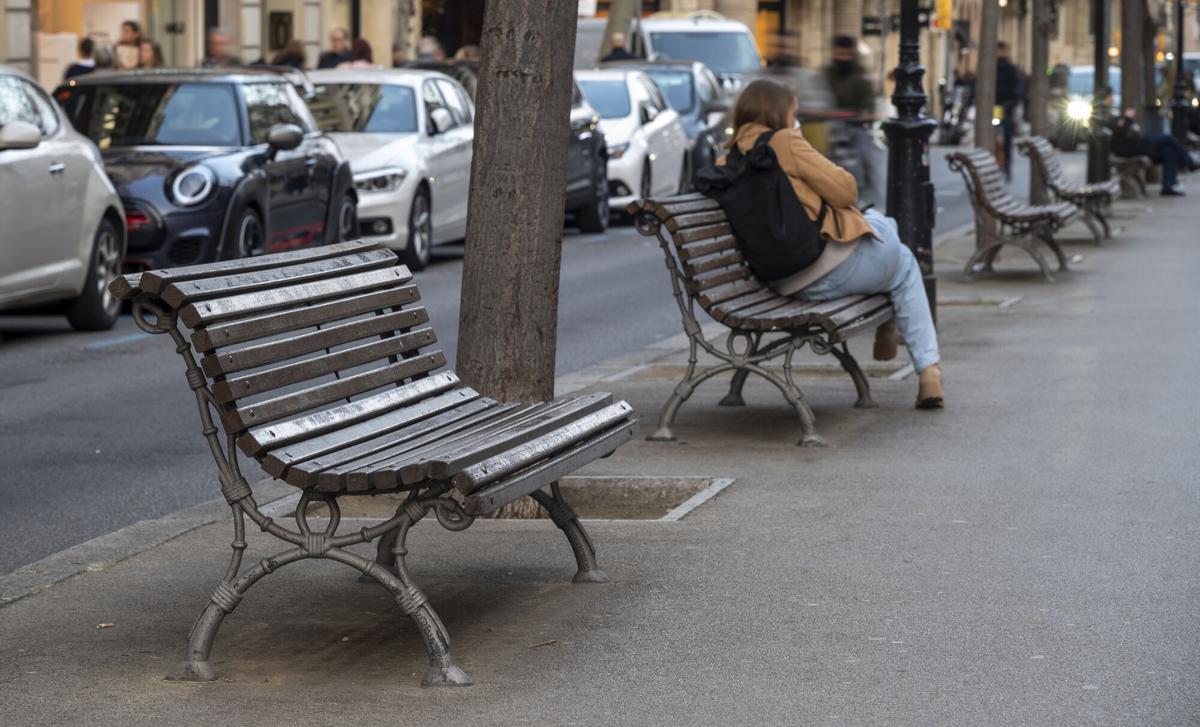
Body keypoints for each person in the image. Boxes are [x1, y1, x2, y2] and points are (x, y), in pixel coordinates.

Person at [723, 79, 943, 407]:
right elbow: (845, 190)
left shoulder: (726, 160)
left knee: (889, 242)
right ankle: (928, 371)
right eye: (793, 113)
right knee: (900, 252)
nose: (795, 121)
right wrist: (797, 142)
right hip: (825, 268)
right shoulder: (783, 142)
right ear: (778, 114)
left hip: (783, 282)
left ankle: (897, 330)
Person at [824, 35, 885, 210]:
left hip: (855, 128)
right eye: (839, 53)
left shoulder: (860, 75)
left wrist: (861, 115)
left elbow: (869, 105)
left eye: (846, 53)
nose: (843, 57)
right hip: (829, 128)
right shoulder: (826, 73)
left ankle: (876, 203)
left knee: (871, 160)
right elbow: (820, 97)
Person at [1110, 105, 1198, 196]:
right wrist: (1127, 118)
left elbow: (1131, 132)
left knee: (1168, 152)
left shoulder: (1122, 120)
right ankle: (1189, 162)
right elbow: (1120, 130)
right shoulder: (1115, 121)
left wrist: (1128, 120)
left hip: (1142, 146)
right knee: (1168, 138)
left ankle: (1168, 187)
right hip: (1138, 147)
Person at [994, 41, 1025, 179]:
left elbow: (1018, 88)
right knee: (993, 133)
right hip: (994, 107)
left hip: (1006, 107)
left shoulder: (1010, 69)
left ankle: (1007, 166)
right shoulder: (990, 67)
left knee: (1007, 135)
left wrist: (1012, 101)